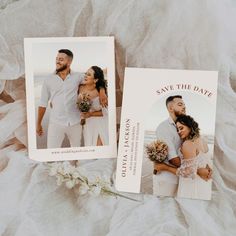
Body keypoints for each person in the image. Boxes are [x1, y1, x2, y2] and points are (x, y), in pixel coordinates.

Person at [36, 49, 107, 148]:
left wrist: (102, 90)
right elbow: (43, 103)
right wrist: (38, 123)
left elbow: (95, 80)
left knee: (76, 154)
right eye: (56, 59)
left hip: (75, 122)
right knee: (51, 153)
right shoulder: (48, 79)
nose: (57, 61)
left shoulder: (78, 76)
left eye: (61, 59)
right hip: (56, 123)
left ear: (69, 62)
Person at [153, 95, 212, 197]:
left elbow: (197, 160)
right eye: (180, 104)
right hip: (169, 180)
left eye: (184, 105)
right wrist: (199, 170)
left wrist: (202, 169)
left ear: (189, 126)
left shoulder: (192, 140)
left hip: (188, 180)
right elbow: (173, 159)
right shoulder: (164, 128)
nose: (184, 107)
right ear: (171, 108)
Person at [78, 66, 109, 146]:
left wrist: (91, 114)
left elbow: (106, 112)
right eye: (85, 73)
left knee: (99, 148)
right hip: (88, 125)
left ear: (95, 80)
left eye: (88, 74)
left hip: (100, 124)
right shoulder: (80, 88)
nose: (85, 76)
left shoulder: (101, 93)